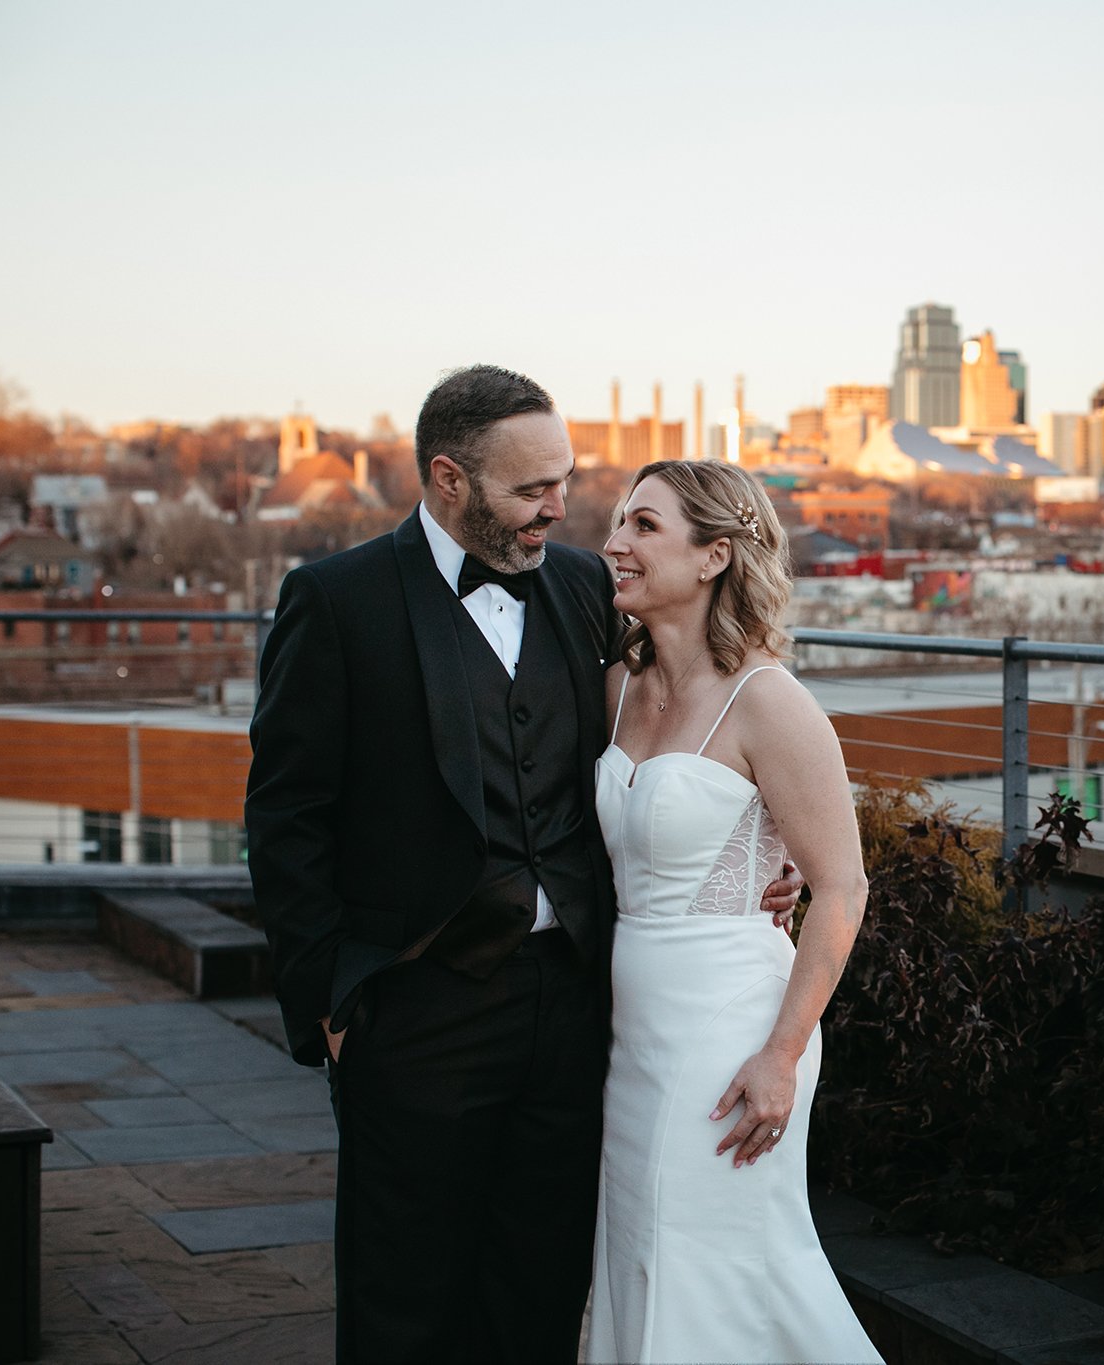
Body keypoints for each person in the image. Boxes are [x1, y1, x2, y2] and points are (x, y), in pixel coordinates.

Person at [244, 366, 800, 1364]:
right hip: (413, 1004)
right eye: (531, 490)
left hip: (573, 1002)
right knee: (403, 1289)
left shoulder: (586, 587)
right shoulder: (336, 601)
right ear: (450, 479)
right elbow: (286, 818)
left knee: (541, 1282)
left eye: (566, 481)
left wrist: (762, 847)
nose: (561, 508)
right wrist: (328, 998)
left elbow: (681, 729)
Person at [587, 459, 882, 1365]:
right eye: (618, 523)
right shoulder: (619, 686)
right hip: (631, 1032)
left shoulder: (771, 701)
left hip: (732, 1031)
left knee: (717, 1268)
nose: (614, 544)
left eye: (643, 525)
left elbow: (842, 885)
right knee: (639, 1255)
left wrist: (782, 1054)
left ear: (715, 554)